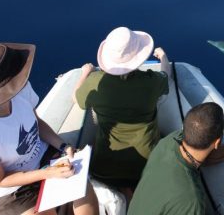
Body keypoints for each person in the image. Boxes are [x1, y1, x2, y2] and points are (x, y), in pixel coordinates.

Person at [0, 43, 101, 215]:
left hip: (45, 161)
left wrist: (63, 146)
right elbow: (0, 180)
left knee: (84, 189)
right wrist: (48, 174)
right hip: (13, 193)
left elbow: (36, 122)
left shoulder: (19, 89)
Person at [73, 26, 171, 188]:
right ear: (139, 55)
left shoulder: (95, 82)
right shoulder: (151, 81)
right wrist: (163, 57)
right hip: (146, 162)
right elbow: (166, 76)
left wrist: (86, 72)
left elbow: (76, 99)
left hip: (105, 165)